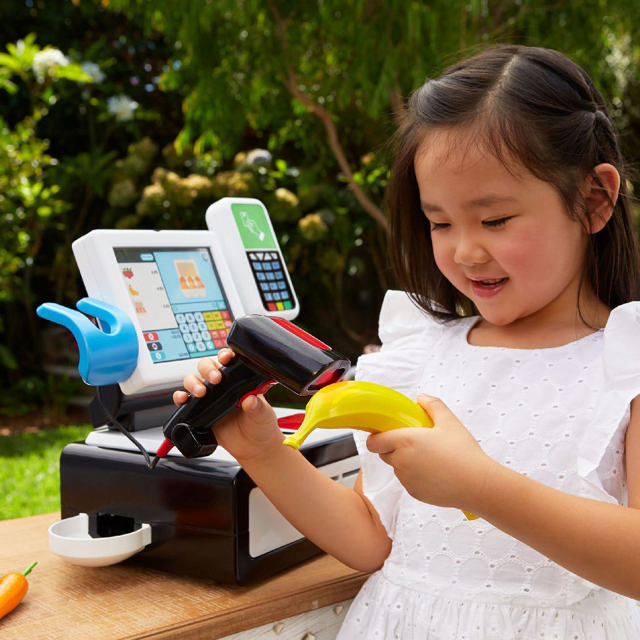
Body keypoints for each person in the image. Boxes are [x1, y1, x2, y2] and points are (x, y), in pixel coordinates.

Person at [176, 45, 640, 638]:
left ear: (594, 199)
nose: (465, 251)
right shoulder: (422, 350)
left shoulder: (623, 360)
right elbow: (373, 539)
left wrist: (480, 485)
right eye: (440, 222)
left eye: (495, 220)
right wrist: (262, 451)